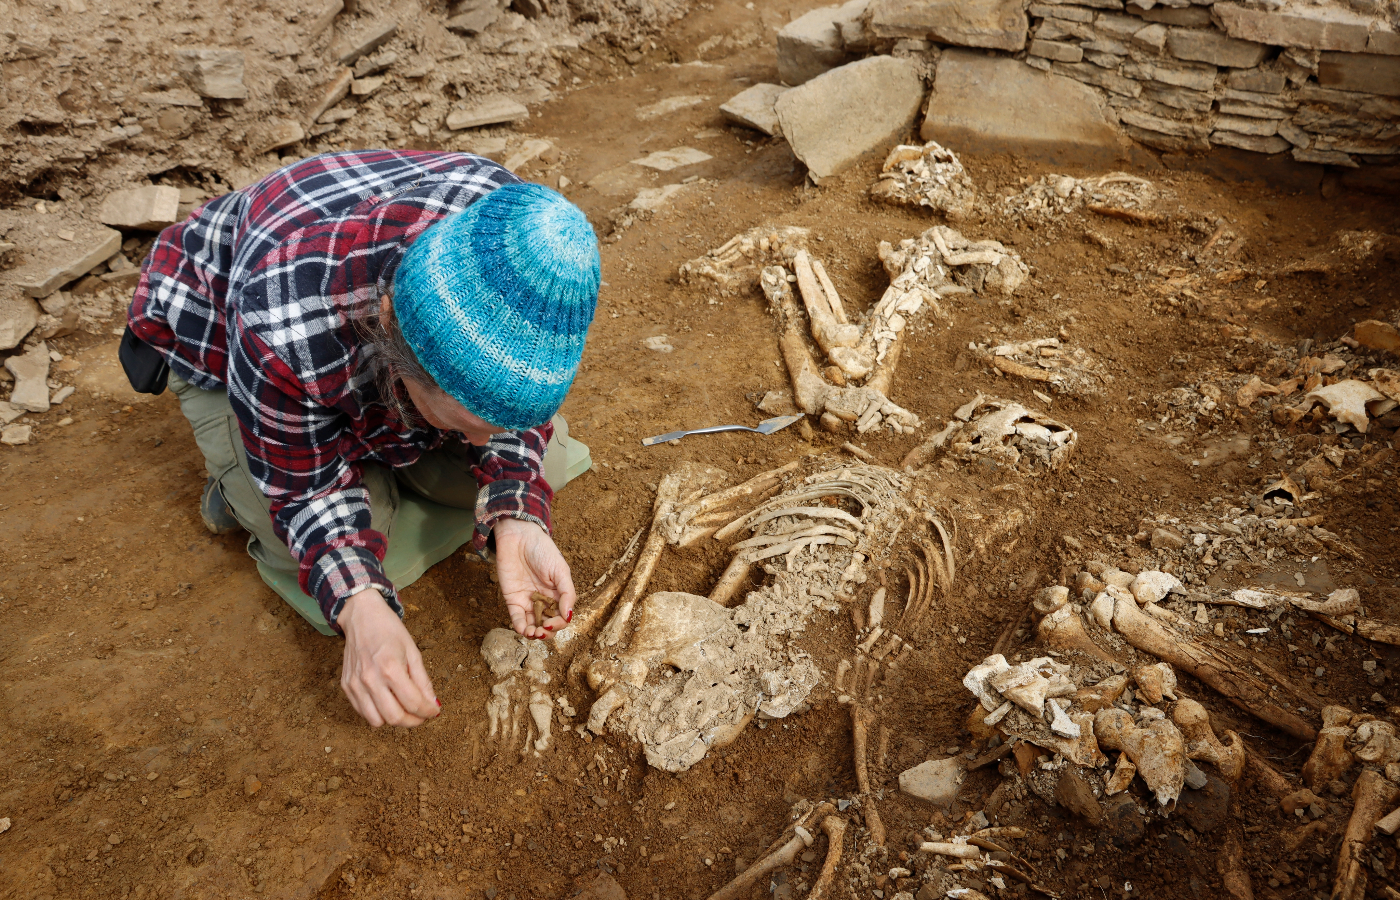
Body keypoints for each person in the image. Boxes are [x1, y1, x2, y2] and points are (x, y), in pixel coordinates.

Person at [125, 150, 601, 729]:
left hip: (362, 346)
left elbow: (514, 426)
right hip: (219, 327)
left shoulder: (518, 237)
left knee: (541, 462)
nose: (485, 440)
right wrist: (361, 608)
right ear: (389, 326)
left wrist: (516, 514)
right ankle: (239, 485)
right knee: (335, 573)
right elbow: (308, 496)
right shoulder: (281, 321)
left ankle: (388, 464)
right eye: (464, 420)